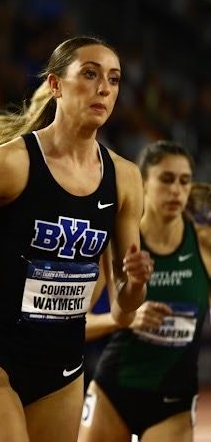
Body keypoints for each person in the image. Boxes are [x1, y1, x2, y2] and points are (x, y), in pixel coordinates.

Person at [0, 36, 154, 442]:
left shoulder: (125, 178)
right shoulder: (12, 162)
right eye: (89, 75)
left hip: (64, 369)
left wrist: (137, 281)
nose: (104, 88)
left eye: (114, 79)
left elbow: (127, 303)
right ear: (55, 85)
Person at [80, 141, 211, 442]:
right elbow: (76, 322)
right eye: (166, 179)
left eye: (184, 181)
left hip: (173, 403)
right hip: (113, 393)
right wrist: (123, 319)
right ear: (144, 183)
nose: (176, 190)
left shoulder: (203, 244)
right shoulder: (119, 243)